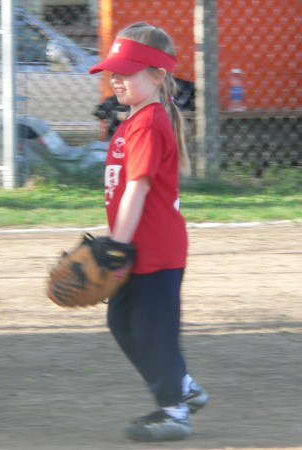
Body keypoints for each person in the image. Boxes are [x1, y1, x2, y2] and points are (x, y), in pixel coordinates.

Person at [89, 22, 208, 442]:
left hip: (154, 250)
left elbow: (137, 188)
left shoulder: (149, 123)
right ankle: (184, 387)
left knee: (152, 330)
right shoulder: (132, 121)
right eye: (113, 70)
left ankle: (174, 411)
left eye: (128, 70)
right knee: (123, 322)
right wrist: (116, 240)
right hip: (137, 249)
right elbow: (123, 191)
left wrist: (117, 245)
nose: (116, 77)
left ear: (157, 75)